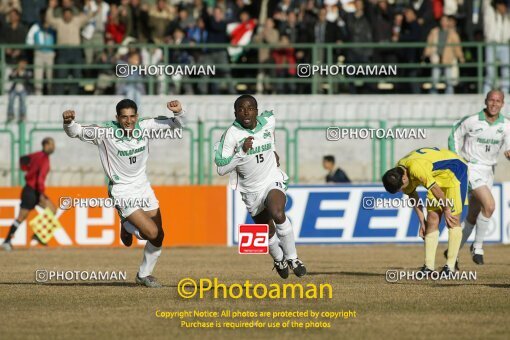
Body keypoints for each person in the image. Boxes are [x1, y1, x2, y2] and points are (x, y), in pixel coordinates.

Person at [62, 98, 186, 288]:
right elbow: (75, 132)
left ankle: (144, 275)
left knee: (159, 235)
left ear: (137, 116)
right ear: (117, 118)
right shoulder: (104, 132)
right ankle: (128, 225)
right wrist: (68, 122)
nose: (128, 121)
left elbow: (178, 126)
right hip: (122, 191)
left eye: (132, 116)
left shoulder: (146, 126)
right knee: (150, 232)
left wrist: (178, 113)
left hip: (143, 187)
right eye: (124, 117)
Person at [214, 95, 307, 279]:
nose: (246, 112)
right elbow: (221, 168)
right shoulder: (231, 135)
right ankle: (279, 258)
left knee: (278, 212)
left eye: (250, 108)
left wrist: (272, 150)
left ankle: (293, 258)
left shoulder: (268, 121)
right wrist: (241, 152)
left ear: (257, 110)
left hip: (271, 178)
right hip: (250, 190)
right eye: (241, 109)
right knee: (267, 231)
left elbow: (270, 133)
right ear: (235, 113)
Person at [447, 90, 510, 266]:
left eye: (498, 101)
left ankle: (452, 253)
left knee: (473, 215)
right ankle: (478, 247)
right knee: (489, 206)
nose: (494, 104)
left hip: (489, 170)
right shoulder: (472, 120)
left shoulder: (506, 125)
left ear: (502, 104)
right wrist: (456, 160)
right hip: (471, 168)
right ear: (486, 101)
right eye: (491, 100)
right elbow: (454, 135)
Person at [382, 147, 468, 274]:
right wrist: (422, 222)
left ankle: (450, 267)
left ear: (404, 179)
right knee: (432, 219)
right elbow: (413, 196)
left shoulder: (416, 169)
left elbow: (434, 189)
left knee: (452, 219)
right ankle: (429, 267)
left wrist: (446, 208)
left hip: (455, 171)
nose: (401, 191)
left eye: (400, 189)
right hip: (436, 177)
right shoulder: (399, 172)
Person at [2, 138, 56, 251]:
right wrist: (41, 192)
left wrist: (26, 169)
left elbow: (23, 159)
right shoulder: (44, 159)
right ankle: (7, 241)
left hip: (32, 190)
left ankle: (38, 235)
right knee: (22, 217)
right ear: (45, 145)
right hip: (32, 191)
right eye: (51, 144)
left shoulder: (36, 155)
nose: (53, 147)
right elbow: (40, 178)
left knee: (52, 209)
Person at [423, 15, 465, 94]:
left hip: (447, 59)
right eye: (442, 20)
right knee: (434, 79)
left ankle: (449, 96)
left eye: (445, 20)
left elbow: (457, 47)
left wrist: (460, 56)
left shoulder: (452, 33)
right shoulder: (434, 31)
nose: (444, 22)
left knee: (449, 80)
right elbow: (429, 44)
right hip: (436, 58)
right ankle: (433, 95)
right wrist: (426, 54)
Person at [483, 0, 510, 94]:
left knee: (506, 70)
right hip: (491, 44)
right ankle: (487, 92)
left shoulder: (507, 16)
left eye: (505, 5)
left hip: (504, 44)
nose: (503, 7)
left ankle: (505, 92)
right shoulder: (489, 11)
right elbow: (487, 3)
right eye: (501, 5)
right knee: (490, 70)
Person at [7, 58, 32, 123]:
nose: (21, 65)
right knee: (11, 98)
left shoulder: (27, 71)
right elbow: (10, 77)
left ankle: (22, 115)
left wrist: (22, 73)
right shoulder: (15, 70)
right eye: (20, 63)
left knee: (23, 99)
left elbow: (28, 79)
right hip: (15, 89)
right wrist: (16, 72)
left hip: (23, 89)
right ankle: (10, 114)